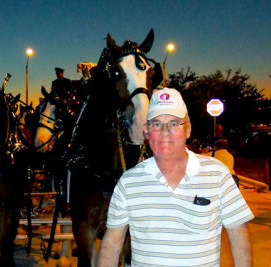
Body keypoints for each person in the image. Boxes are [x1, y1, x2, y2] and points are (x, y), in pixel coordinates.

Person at [97, 88, 254, 266]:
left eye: (174, 123)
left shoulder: (217, 174)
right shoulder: (129, 182)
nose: (165, 131)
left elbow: (238, 237)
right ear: (147, 132)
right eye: (156, 124)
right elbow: (112, 244)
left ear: (188, 130)